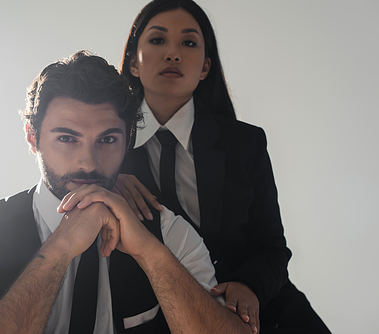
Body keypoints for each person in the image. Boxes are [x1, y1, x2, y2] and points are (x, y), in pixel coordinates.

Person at [0, 51, 251, 334]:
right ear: (32, 137)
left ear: (128, 140)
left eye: (107, 140)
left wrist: (152, 256)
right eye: (67, 138)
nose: (88, 162)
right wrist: (59, 248)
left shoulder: (168, 233)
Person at [115, 1, 331, 333]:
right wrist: (108, 186)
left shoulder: (246, 143)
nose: (173, 54)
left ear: (205, 68)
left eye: (188, 43)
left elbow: (272, 249)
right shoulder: (108, 148)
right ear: (133, 63)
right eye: (158, 40)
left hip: (267, 318)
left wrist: (249, 285)